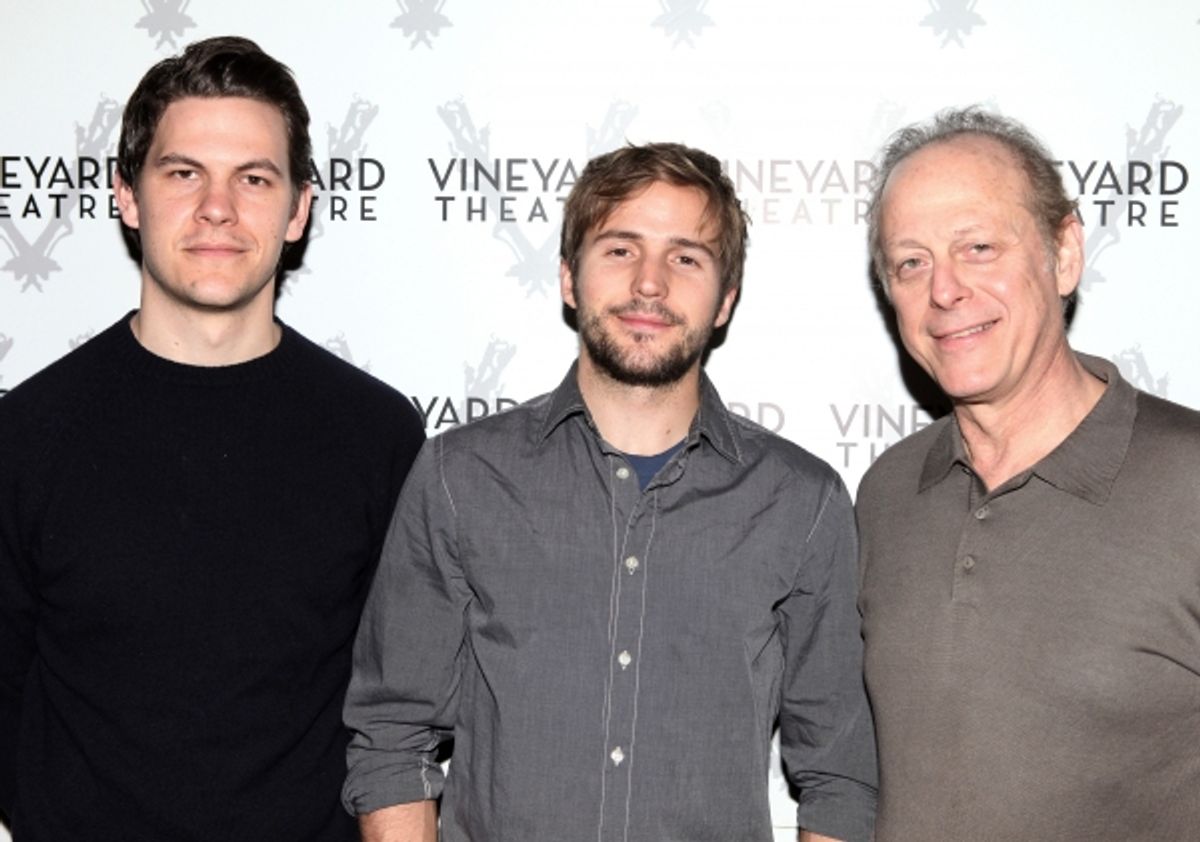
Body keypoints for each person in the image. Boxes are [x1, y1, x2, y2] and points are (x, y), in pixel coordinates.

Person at [342, 142, 877, 842]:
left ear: (726, 302)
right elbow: (391, 735)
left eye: (686, 257)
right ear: (569, 279)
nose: (650, 284)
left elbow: (838, 776)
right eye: (621, 250)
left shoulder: (801, 502)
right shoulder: (459, 477)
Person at [0, 36, 424, 841]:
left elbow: (399, 712)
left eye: (254, 179)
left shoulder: (378, 436)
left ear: (299, 209)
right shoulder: (27, 435)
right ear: (127, 195)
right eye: (183, 172)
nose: (217, 209)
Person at [857, 107, 1200, 840]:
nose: (944, 290)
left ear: (1065, 252)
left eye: (978, 247)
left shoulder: (1192, 483)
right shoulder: (886, 495)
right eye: (911, 262)